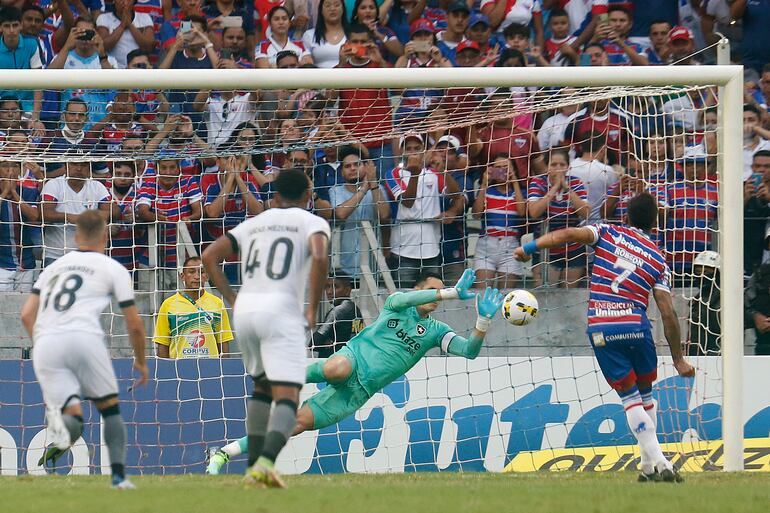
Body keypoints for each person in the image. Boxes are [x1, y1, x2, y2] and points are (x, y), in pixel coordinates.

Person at [205, 269, 505, 476]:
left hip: (360, 391)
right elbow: (406, 299)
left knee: (296, 424)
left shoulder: (436, 331)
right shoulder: (396, 304)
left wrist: (482, 322)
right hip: (353, 359)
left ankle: (224, 453)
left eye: (437, 292)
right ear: (417, 290)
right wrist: (450, 293)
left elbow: (469, 351)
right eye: (430, 290)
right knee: (337, 368)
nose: (434, 297)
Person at [514, 192, 695, 483]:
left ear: (626, 216)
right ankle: (648, 466)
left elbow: (568, 234)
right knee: (646, 396)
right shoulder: (659, 259)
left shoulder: (608, 232)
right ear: (655, 222)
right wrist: (678, 359)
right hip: (636, 327)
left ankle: (659, 463)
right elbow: (668, 312)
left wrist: (530, 247)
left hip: (603, 327)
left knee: (631, 399)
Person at [201, 168, 331, 488]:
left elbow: (209, 255)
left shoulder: (255, 222)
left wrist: (232, 298)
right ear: (307, 195)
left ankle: (253, 469)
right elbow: (319, 255)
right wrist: (312, 307)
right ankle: (266, 462)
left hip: (246, 311)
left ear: (276, 195)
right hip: (281, 312)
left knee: (261, 388)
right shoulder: (311, 221)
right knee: (288, 395)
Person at [21, 210, 148, 489]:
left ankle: (63, 435)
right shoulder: (112, 268)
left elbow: (27, 314)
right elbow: (135, 323)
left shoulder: (54, 267)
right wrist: (141, 361)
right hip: (84, 337)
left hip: (47, 343)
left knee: (74, 416)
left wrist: (42, 345)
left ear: (76, 236)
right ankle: (118, 478)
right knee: (109, 409)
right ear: (105, 236)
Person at [527, 149, 588, 287]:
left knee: (569, 294)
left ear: (568, 167)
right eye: (554, 164)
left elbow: (585, 213)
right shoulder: (538, 182)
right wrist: (554, 188)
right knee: (545, 293)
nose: (558, 168)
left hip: (573, 248)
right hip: (545, 248)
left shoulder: (576, 182)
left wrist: (566, 188)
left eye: (562, 164)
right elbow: (534, 212)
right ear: (547, 166)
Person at [154, 255, 234, 358]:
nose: (197, 276)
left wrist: (225, 366)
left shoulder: (217, 303)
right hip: (179, 366)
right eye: (191, 272)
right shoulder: (168, 304)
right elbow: (163, 343)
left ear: (207, 276)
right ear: (182, 276)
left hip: (211, 366)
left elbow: (223, 342)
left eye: (201, 272)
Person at [329, 146, 390, 278]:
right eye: (347, 166)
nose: (353, 168)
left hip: (374, 266)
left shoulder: (378, 189)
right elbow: (340, 214)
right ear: (341, 172)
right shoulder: (335, 191)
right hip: (345, 268)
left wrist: (373, 185)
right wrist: (364, 189)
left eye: (357, 164)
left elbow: (384, 215)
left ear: (366, 167)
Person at [40, 160, 114, 266]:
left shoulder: (96, 186)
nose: (79, 169)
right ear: (65, 166)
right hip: (56, 255)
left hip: (90, 256)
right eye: (74, 164)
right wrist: (71, 217)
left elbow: (113, 211)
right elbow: (44, 213)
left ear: (89, 168)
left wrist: (84, 218)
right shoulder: (54, 184)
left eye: (83, 165)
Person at [472, 153, 526, 289]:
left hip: (510, 245)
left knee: (506, 294)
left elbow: (522, 212)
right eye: (498, 168)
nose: (502, 171)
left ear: (513, 169)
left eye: (506, 167)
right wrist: (484, 184)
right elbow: (476, 214)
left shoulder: (519, 193)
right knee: (482, 293)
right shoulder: (487, 191)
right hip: (486, 245)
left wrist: (514, 182)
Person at [0, 159, 40, 291]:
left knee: (23, 302)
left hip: (26, 263)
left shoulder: (28, 192)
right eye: (5, 166)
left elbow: (34, 216)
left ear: (20, 170)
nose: (10, 170)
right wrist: (5, 193)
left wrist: (14, 193)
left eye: (14, 166)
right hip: (2, 264)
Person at [310, 272, 364, 357]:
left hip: (334, 360)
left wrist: (325, 342)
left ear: (347, 290)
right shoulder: (355, 309)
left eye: (336, 287)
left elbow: (314, 343)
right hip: (351, 358)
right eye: (327, 286)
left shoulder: (338, 311)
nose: (329, 292)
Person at [96, 0, 155, 68]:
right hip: (112, 68)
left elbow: (149, 47)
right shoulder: (103, 18)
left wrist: (130, 25)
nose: (124, 2)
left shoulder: (145, 18)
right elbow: (104, 46)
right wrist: (122, 25)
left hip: (138, 67)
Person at [686, 250, 721, 356]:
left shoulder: (726, 300)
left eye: (706, 272)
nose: (701, 276)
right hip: (696, 355)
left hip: (717, 357)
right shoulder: (698, 300)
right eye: (698, 272)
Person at [302, 0, 348, 68]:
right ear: (321, 10)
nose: (332, 9)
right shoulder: (309, 35)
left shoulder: (353, 34)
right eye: (327, 5)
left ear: (343, 9)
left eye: (337, 5)